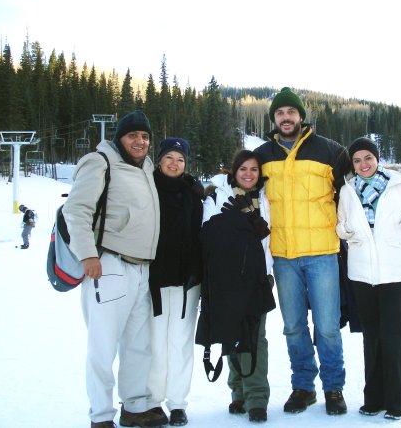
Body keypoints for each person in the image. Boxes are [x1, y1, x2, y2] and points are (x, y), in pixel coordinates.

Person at [62, 110, 167, 428]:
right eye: (133, 135)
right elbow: (76, 210)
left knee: (138, 344)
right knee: (103, 345)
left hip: (140, 269)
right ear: (119, 138)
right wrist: (87, 255)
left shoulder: (146, 166)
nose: (140, 141)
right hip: (108, 265)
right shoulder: (100, 161)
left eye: (145, 136)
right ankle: (101, 415)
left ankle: (134, 407)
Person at [253, 87, 351, 416]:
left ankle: (334, 388)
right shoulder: (263, 155)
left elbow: (353, 189)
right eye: (280, 113)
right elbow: (244, 185)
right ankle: (303, 387)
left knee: (326, 325)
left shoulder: (330, 151)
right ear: (274, 119)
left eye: (291, 112)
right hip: (283, 255)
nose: (285, 117)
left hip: (323, 252)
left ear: (300, 116)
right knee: (293, 325)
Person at [336, 137, 401, 421]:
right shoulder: (347, 190)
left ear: (377, 159)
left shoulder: (400, 185)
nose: (363, 164)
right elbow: (340, 223)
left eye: (368, 158)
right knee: (372, 336)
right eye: (357, 160)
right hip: (362, 272)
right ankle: (374, 398)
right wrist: (347, 230)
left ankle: (397, 400)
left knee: (394, 335)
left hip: (396, 270)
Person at [199, 149, 275, 423]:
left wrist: (254, 223)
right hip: (227, 278)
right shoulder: (218, 195)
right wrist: (238, 224)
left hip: (259, 277)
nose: (248, 174)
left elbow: (270, 234)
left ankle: (256, 398)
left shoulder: (266, 198)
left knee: (255, 336)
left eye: (254, 169)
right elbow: (208, 232)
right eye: (243, 169)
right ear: (234, 171)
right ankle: (238, 393)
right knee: (232, 333)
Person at [145, 138, 204, 427]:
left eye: (180, 159)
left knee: (180, 342)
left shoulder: (194, 192)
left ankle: (178, 403)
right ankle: (153, 401)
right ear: (159, 160)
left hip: (186, 280)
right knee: (154, 343)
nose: (174, 163)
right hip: (152, 278)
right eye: (169, 157)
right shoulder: (145, 187)